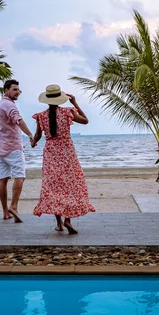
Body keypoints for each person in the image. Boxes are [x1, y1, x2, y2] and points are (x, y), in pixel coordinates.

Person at [31, 84, 95, 234]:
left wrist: (33, 142)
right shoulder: (68, 112)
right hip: (67, 153)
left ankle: (59, 223)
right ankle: (67, 220)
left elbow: (38, 136)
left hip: (51, 153)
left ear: (46, 100)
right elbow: (85, 121)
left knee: (54, 189)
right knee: (69, 186)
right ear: (61, 99)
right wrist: (75, 103)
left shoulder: (41, 116)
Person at [0, 79, 34, 223]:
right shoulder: (9, 105)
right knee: (20, 176)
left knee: (3, 179)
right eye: (14, 89)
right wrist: (30, 134)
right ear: (6, 91)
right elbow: (19, 120)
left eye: (18, 90)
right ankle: (14, 206)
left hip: (0, 149)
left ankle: (5, 212)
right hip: (13, 147)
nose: (18, 92)